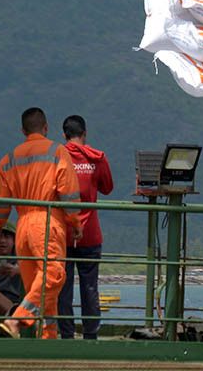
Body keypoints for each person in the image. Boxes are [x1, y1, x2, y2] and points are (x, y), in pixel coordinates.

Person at [0, 107, 83, 339]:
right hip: (47, 220)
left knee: (39, 288)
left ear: (23, 130)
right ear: (46, 128)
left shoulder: (8, 160)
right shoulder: (57, 152)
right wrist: (76, 222)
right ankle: (17, 320)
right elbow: (69, 193)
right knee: (53, 275)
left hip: (22, 226)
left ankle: (47, 338)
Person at [57, 114, 114, 339]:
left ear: (64, 135)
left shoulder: (57, 157)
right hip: (90, 234)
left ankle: (66, 335)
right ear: (85, 134)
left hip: (63, 233)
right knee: (90, 288)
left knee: (63, 288)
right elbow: (107, 188)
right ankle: (91, 336)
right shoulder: (98, 158)